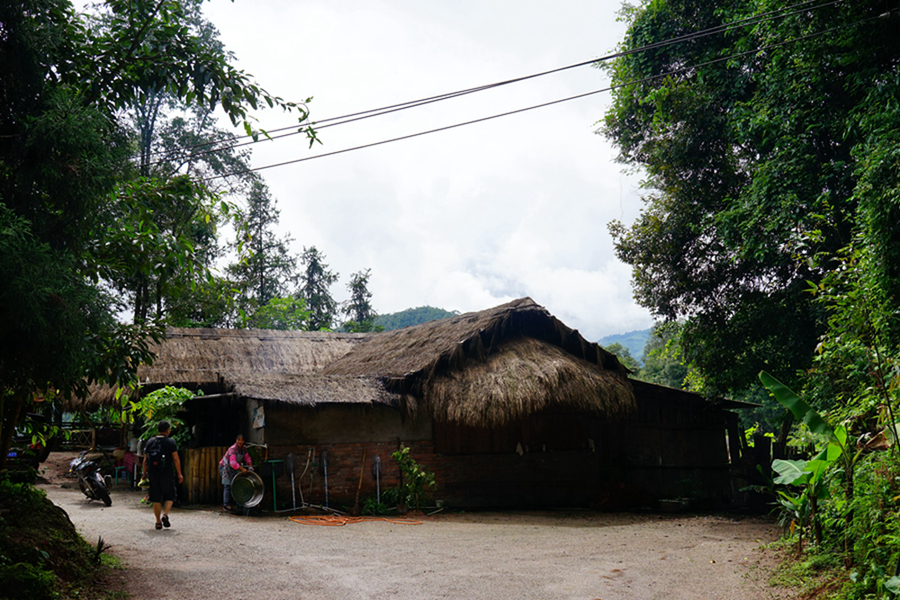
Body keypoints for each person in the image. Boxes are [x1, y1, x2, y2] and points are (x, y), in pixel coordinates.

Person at [142, 421, 183, 530]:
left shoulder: (150, 442)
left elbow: (145, 459)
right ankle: (165, 515)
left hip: (153, 473)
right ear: (168, 430)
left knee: (155, 498)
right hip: (167, 473)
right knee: (169, 495)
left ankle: (158, 522)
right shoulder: (170, 442)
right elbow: (176, 458)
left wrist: (144, 473)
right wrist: (179, 473)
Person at [219, 434, 253, 511]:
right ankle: (226, 505)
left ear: (244, 441)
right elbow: (233, 463)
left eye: (241, 440)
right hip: (225, 467)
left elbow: (247, 458)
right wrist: (242, 469)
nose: (240, 441)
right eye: (238, 440)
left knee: (236, 484)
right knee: (228, 485)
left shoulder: (244, 449)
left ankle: (237, 503)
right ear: (236, 440)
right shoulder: (233, 449)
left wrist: (250, 466)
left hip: (234, 468)